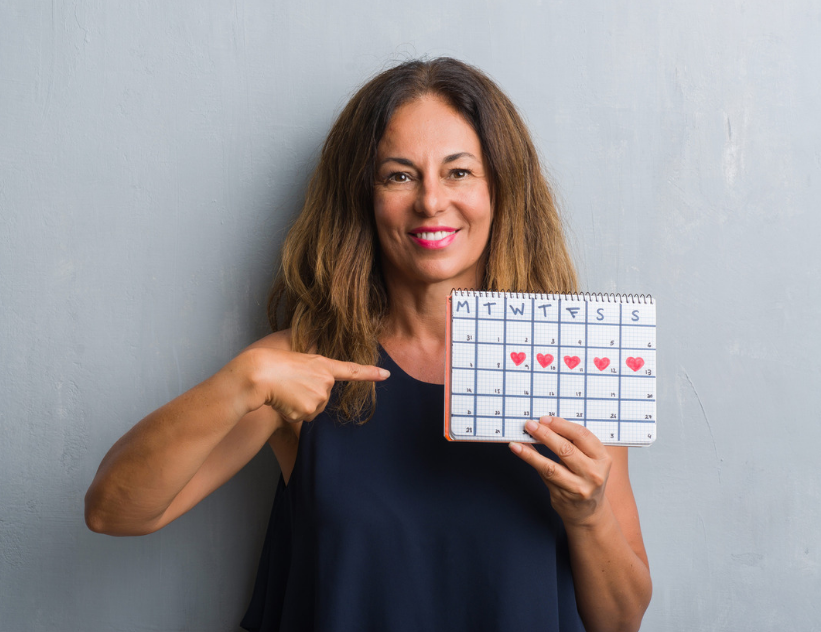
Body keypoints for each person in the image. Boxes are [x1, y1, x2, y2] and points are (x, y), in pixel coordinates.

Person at [84, 57, 652, 631]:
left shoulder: (575, 358)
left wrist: (588, 514)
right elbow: (114, 510)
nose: (431, 201)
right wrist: (241, 381)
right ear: (363, 197)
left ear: (503, 189)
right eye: (399, 175)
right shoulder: (299, 364)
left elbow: (621, 621)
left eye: (459, 172)